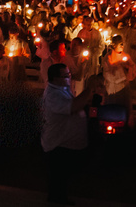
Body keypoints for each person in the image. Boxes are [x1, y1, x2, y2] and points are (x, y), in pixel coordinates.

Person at [41, 63, 102, 205]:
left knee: (64, 179)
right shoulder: (52, 94)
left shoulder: (62, 89)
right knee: (58, 182)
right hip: (58, 145)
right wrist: (89, 89)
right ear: (55, 78)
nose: (69, 78)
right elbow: (72, 106)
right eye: (66, 76)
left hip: (66, 144)